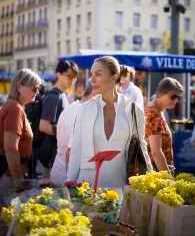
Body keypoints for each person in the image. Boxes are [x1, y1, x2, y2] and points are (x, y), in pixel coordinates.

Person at [66, 56, 152, 188]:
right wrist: (69, 182)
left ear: (114, 77)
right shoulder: (84, 109)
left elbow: (142, 149)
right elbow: (76, 149)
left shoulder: (134, 111)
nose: (92, 79)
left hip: (121, 187)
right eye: (91, 74)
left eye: (98, 74)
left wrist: (151, 182)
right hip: (87, 188)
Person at [0, 69, 42, 200]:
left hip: (9, 175)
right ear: (19, 86)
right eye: (34, 88)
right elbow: (11, 148)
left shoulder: (15, 106)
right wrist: (18, 181)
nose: (37, 92)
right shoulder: (14, 108)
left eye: (38, 89)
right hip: (8, 176)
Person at [50, 80, 95, 186]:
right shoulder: (85, 113)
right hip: (70, 181)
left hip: (57, 173)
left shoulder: (70, 108)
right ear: (94, 93)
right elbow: (70, 153)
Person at [38, 60, 79, 176]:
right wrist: (66, 132)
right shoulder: (53, 97)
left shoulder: (62, 95)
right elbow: (43, 126)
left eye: (75, 77)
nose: (72, 80)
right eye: (70, 76)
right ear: (58, 75)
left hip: (56, 155)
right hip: (51, 157)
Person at [145, 77, 184, 172]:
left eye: (178, 98)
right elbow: (156, 153)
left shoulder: (160, 112)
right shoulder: (153, 114)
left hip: (158, 174)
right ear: (160, 94)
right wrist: (168, 180)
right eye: (173, 97)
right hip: (156, 176)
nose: (176, 101)